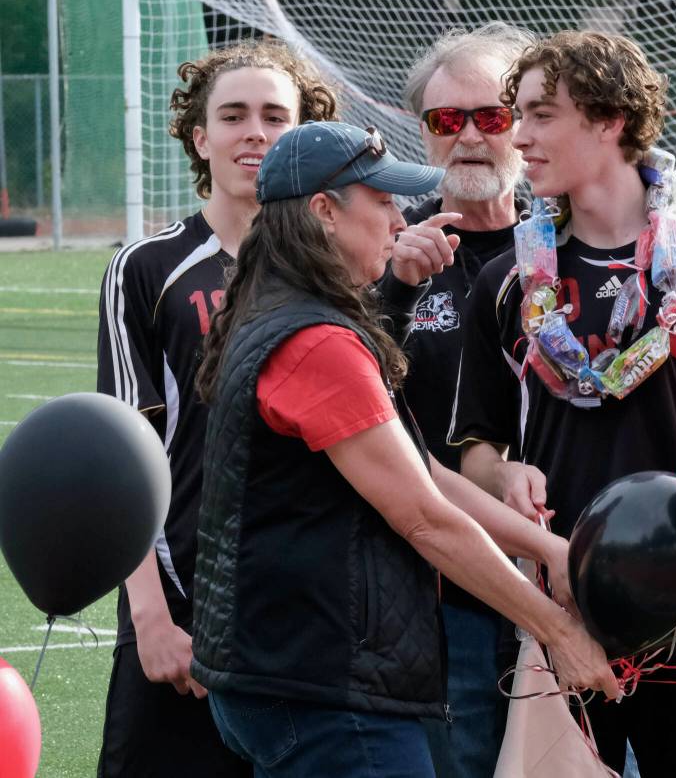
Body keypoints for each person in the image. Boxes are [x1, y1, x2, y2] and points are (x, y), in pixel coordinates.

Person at [189, 120, 620, 777]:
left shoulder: (282, 312)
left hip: (285, 674)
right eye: (383, 201)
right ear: (324, 213)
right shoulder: (315, 341)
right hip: (323, 686)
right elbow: (423, 515)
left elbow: (422, 477)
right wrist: (560, 633)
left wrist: (549, 549)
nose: (399, 218)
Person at [449, 30, 676, 777]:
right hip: (559, 617)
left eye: (540, 115)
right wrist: (504, 476)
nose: (519, 138)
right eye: (518, 115)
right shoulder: (504, 281)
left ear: (609, 120)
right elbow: (472, 449)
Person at [95, 40, 337, 778]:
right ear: (201, 137)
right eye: (233, 116)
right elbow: (120, 453)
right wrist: (151, 621)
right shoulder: (148, 270)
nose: (254, 133)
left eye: (274, 116)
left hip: (306, 616)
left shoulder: (337, 267)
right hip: (182, 603)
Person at [377, 22, 534, 778]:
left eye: (492, 117)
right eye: (448, 120)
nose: (469, 136)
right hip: (441, 583)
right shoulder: (384, 242)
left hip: (565, 564)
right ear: (423, 131)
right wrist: (392, 289)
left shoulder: (562, 243)